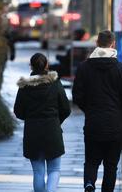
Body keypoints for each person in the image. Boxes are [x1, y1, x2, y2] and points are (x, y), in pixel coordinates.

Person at [72, 30, 122, 192]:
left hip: (93, 123)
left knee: (91, 161)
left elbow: (77, 96)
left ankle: (89, 183)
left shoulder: (84, 67)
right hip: (116, 126)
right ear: (113, 44)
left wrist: (89, 109)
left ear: (97, 43)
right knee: (111, 166)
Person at [14, 53, 71, 192]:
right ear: (47, 65)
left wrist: (30, 118)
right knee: (54, 169)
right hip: (52, 131)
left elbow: (18, 111)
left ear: (31, 66)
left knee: (38, 172)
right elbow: (66, 108)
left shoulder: (24, 87)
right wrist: (57, 121)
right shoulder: (55, 83)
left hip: (32, 132)